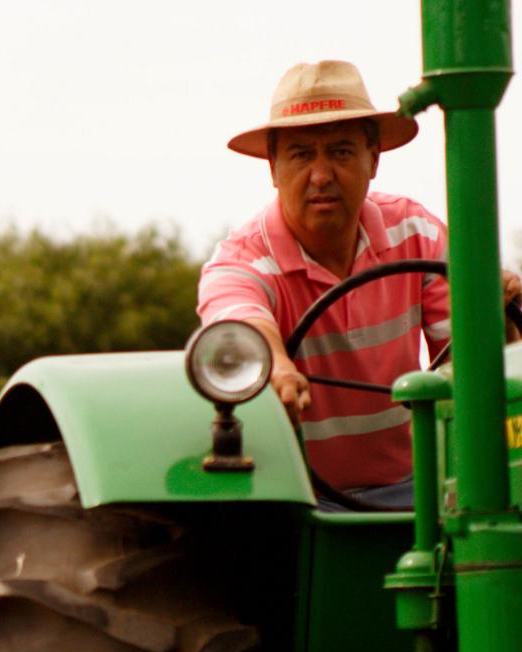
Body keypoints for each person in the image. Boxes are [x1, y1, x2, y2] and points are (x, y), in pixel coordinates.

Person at [198, 60, 522, 506]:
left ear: (374, 159)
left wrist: (495, 316)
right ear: (273, 167)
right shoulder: (242, 261)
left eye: (341, 151)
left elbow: (467, 361)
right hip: (297, 496)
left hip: (422, 487)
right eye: (301, 154)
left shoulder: (415, 233)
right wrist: (277, 366)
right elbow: (242, 322)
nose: (322, 175)